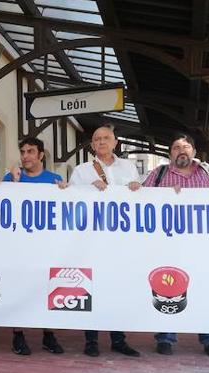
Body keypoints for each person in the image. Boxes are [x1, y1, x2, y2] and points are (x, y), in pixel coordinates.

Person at [142, 133, 209, 358]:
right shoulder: (158, 174)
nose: (181, 150)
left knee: (206, 289)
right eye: (176, 146)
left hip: (204, 246)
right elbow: (140, 201)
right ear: (170, 153)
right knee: (167, 287)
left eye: (186, 146)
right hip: (168, 245)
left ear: (194, 152)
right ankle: (165, 338)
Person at [69, 123, 141, 358]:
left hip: (120, 241)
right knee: (91, 288)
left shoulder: (129, 167)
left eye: (106, 138)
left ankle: (118, 339)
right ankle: (91, 340)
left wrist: (135, 188)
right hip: (91, 240)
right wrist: (88, 189)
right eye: (97, 138)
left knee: (117, 287)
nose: (101, 142)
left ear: (115, 142)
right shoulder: (82, 170)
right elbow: (71, 199)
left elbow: (138, 200)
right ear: (92, 144)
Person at [0, 137, 67, 355]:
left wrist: (67, 191)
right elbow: (3, 205)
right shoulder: (11, 177)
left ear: (40, 155)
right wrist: (13, 182)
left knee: (48, 288)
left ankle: (48, 335)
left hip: (46, 247)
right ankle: (18, 336)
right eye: (22, 151)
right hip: (17, 246)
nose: (25, 156)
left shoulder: (54, 179)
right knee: (18, 289)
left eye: (30, 151)